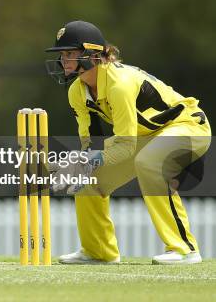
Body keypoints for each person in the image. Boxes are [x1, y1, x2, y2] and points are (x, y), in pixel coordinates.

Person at [45, 20, 210, 265]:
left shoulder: (119, 85)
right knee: (86, 178)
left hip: (186, 126)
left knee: (150, 162)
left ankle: (184, 248)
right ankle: (99, 251)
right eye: (62, 55)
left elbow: (125, 145)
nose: (63, 61)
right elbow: (93, 142)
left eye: (69, 54)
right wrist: (83, 161)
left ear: (92, 54)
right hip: (143, 135)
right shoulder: (76, 92)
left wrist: (94, 158)